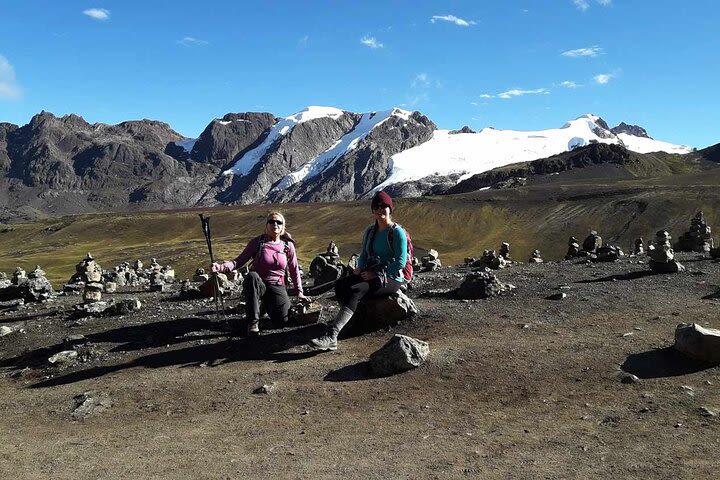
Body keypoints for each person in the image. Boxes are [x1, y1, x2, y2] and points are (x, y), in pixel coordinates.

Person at [310, 191, 408, 351]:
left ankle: (332, 335)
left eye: (384, 206)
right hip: (371, 272)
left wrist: (376, 274)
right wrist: (360, 268)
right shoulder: (370, 231)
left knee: (357, 290)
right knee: (341, 285)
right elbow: (364, 254)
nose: (380, 209)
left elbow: (400, 262)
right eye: (376, 206)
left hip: (392, 278)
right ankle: (349, 319)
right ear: (372, 210)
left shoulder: (397, 233)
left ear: (390, 209)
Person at [211, 212, 306, 335]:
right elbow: (238, 262)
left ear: (283, 227)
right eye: (271, 221)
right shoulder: (257, 242)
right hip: (258, 284)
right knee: (252, 276)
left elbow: (294, 269)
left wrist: (300, 292)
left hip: (277, 285)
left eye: (279, 222)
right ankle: (253, 322)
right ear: (266, 226)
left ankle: (264, 306)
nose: (275, 224)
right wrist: (220, 267)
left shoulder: (288, 246)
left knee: (282, 321)